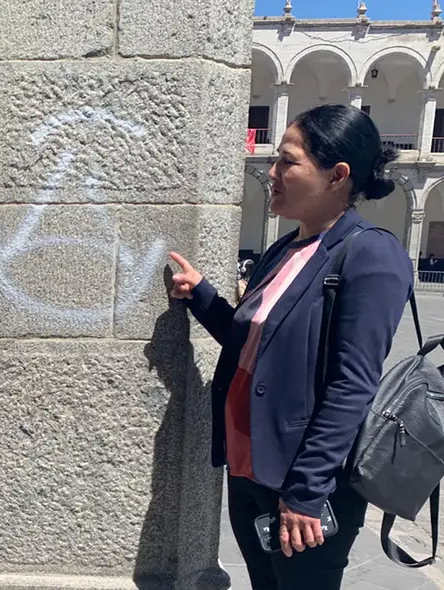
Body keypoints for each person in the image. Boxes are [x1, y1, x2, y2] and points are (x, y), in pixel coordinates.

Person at [170, 104, 412, 589]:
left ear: (336, 176)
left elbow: (353, 385)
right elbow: (251, 344)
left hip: (305, 483)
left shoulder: (371, 254)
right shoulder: (285, 249)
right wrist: (203, 295)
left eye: (287, 161)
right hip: (249, 470)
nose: (272, 171)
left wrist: (305, 493)